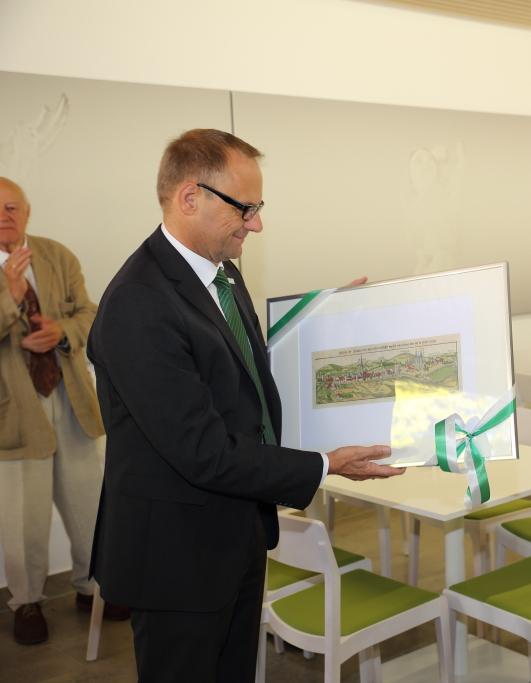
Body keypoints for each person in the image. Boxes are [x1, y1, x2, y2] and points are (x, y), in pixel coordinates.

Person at [87, 129, 404, 683]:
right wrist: (325, 464)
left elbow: (239, 372)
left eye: (258, 208)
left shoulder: (221, 273)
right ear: (190, 198)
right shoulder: (139, 303)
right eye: (245, 208)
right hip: (177, 558)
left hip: (236, 533)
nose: (256, 225)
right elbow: (202, 452)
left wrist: (328, 327)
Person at [0, 177, 127, 646]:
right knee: (24, 518)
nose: (4, 217)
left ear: (27, 211)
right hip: (14, 409)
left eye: (11, 207)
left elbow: (90, 314)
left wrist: (61, 331)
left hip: (71, 398)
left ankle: (93, 588)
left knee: (88, 504)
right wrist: (12, 295)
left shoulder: (56, 255)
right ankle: (27, 602)